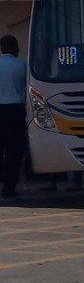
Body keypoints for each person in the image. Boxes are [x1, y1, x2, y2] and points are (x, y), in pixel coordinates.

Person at [0, 34, 27, 201]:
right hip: (15, 112)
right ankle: (9, 188)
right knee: (14, 151)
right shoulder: (22, 65)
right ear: (16, 48)